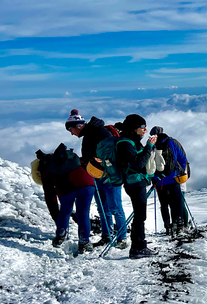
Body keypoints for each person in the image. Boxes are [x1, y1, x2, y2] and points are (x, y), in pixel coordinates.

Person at [65, 109, 128, 249]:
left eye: (71, 129)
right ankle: (107, 236)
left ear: (79, 125)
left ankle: (122, 238)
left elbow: (113, 151)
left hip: (110, 175)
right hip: (98, 175)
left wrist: (102, 162)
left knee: (115, 207)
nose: (71, 133)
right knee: (103, 208)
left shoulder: (99, 132)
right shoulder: (90, 133)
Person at [36, 144, 96, 254]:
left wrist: (56, 218)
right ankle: (84, 242)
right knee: (83, 212)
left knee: (65, 211)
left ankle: (60, 236)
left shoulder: (46, 167)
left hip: (67, 188)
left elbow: (50, 195)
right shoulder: (69, 157)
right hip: (87, 183)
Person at [116, 114, 158, 259]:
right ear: (134, 128)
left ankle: (139, 243)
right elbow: (138, 164)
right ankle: (137, 247)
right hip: (134, 183)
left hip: (136, 182)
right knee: (140, 215)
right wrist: (149, 147)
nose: (145, 129)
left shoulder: (130, 141)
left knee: (140, 215)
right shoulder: (126, 144)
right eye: (142, 127)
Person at [150, 126, 189, 235]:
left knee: (164, 204)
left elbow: (149, 164)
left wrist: (153, 178)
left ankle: (168, 226)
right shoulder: (172, 142)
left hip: (159, 181)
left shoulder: (152, 145)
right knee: (176, 203)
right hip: (173, 178)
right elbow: (182, 159)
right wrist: (178, 172)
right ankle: (178, 224)